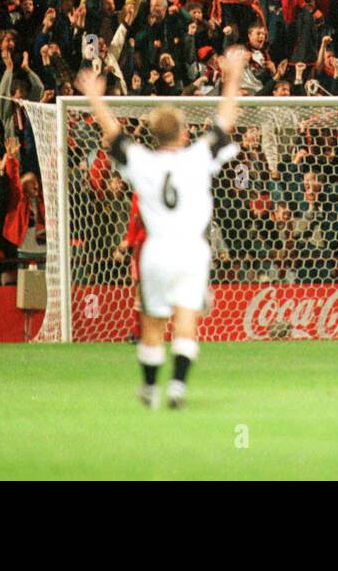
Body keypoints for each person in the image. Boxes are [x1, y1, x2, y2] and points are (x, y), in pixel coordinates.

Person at [76, 46, 248, 409]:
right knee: (186, 320)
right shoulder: (197, 156)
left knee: (153, 324)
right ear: (184, 133)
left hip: (156, 251)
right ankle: (178, 388)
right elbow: (225, 122)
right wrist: (232, 76)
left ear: (153, 135)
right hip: (191, 250)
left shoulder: (143, 162)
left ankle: (151, 389)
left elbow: (116, 136)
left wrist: (95, 97)